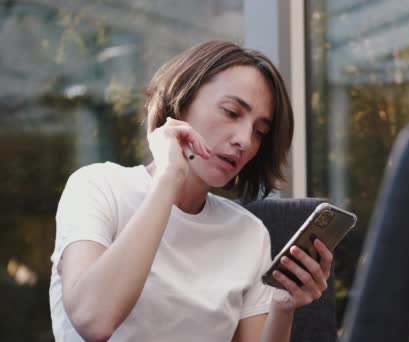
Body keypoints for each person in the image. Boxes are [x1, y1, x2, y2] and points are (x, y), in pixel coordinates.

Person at [49, 40, 333, 342]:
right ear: (182, 101)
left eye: (259, 132)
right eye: (232, 112)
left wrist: (282, 308)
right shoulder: (99, 186)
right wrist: (169, 177)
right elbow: (94, 320)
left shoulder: (249, 234)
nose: (244, 140)